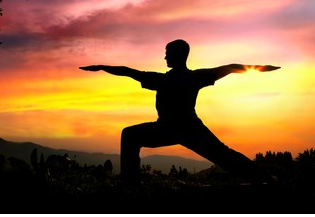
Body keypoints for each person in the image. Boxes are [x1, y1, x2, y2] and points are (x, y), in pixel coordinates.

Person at [80, 39, 280, 185]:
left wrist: (101, 67)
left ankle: (130, 184)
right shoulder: (193, 77)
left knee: (130, 135)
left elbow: (128, 71)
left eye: (167, 52)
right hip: (183, 128)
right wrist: (260, 68)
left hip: (176, 128)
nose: (165, 56)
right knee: (223, 155)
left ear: (177, 55)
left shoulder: (165, 80)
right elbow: (231, 67)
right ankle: (266, 179)